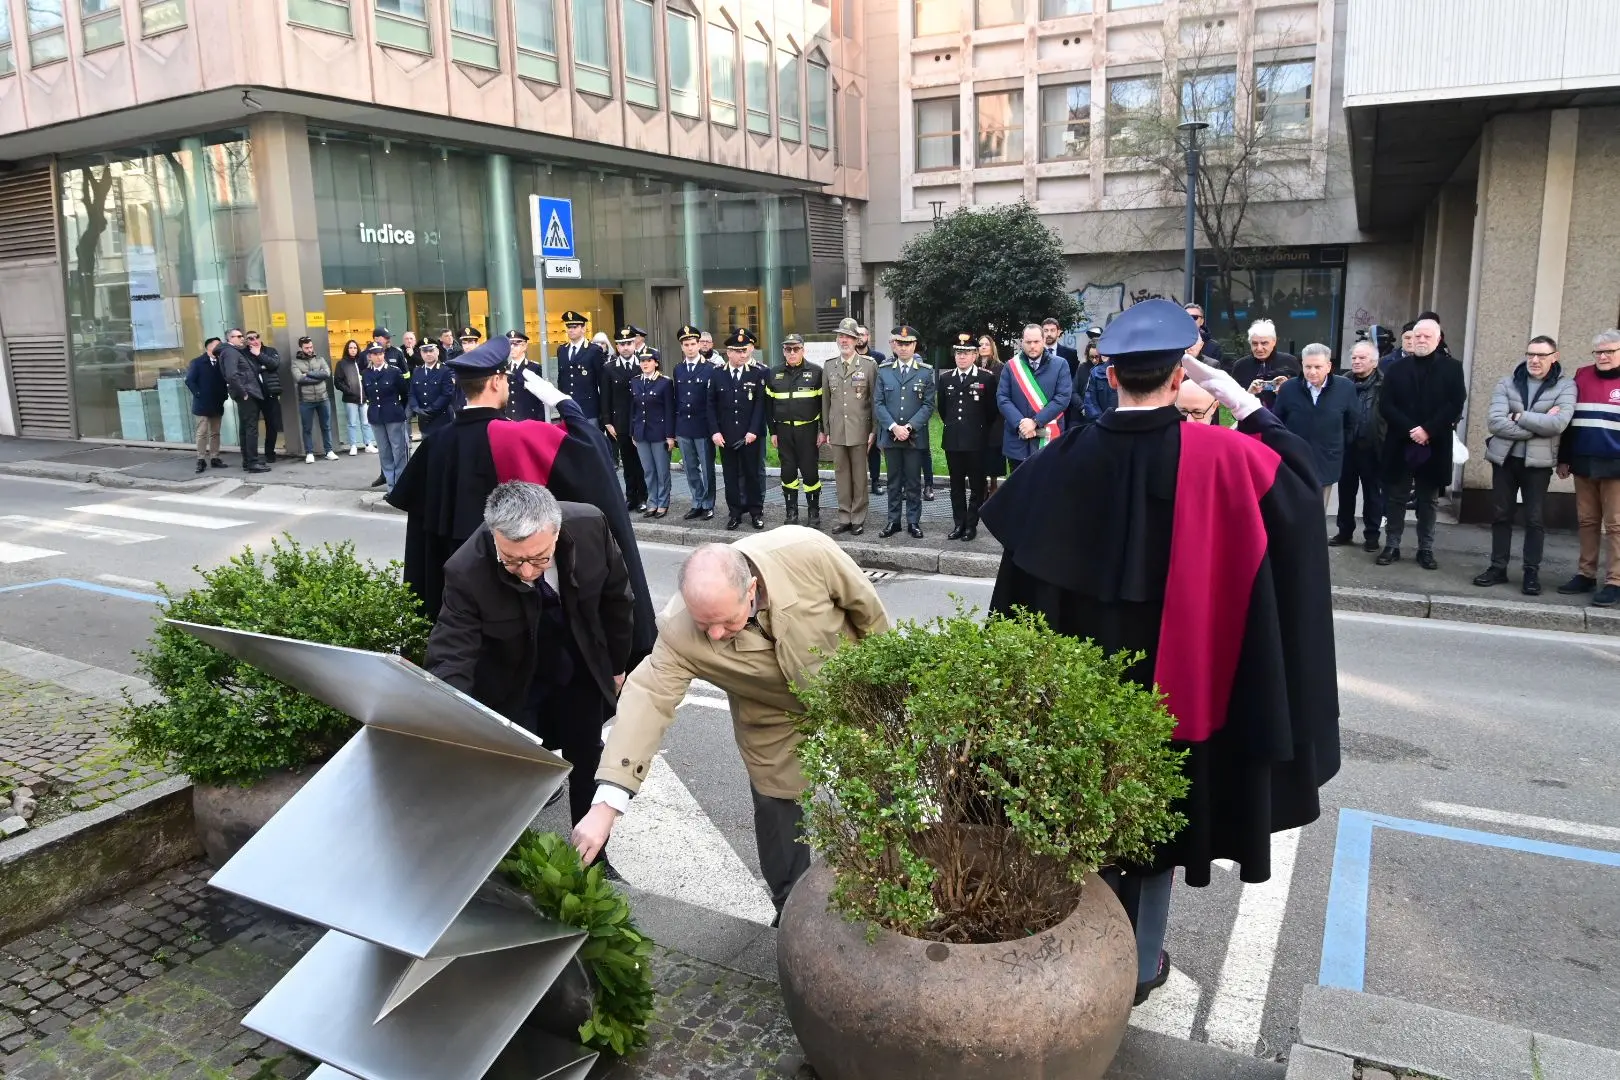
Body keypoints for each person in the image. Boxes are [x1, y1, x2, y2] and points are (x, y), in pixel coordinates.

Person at [980, 299, 1339, 1006]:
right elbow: (1302, 480)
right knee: (1156, 819)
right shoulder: (1226, 457)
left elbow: (1017, 577)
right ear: (1181, 377)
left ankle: (1081, 951)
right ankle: (1139, 964)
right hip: (1183, 689)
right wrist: (1245, 402)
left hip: (1082, 689)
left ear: (1109, 375)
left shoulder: (1062, 461)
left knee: (1084, 821)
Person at [569, 533, 890, 921]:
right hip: (769, 709)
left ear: (751, 589)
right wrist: (606, 806)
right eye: (705, 625)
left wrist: (886, 684)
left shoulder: (807, 553)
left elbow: (867, 611)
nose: (716, 635)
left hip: (845, 682)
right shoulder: (679, 629)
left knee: (881, 779)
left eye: (726, 621)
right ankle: (791, 908)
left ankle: (895, 875)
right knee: (774, 803)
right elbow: (648, 700)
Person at [385, 337, 657, 668]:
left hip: (457, 598)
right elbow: (590, 449)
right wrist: (565, 402)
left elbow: (421, 537)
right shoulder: (516, 436)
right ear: (498, 381)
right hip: (514, 593)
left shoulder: (434, 444)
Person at [426, 481, 633, 851]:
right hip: (514, 676)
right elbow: (451, 651)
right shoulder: (466, 571)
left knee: (588, 755)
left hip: (578, 660)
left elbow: (617, 599)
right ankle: (512, 859)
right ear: (494, 536)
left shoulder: (589, 525)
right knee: (514, 769)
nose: (525, 572)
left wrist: (617, 665)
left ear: (556, 532)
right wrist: (452, 716)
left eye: (538, 559)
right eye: (512, 559)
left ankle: (592, 858)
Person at [1474, 335, 1574, 596]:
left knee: (1534, 519)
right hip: (1505, 460)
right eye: (1531, 354)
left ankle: (1531, 573)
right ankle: (1498, 568)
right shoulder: (1507, 382)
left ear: (1555, 358)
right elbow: (1495, 423)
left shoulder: (1565, 386)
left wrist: (1519, 417)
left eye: (1541, 355)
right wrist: (1538, 425)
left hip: (1538, 465)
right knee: (1501, 515)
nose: (1534, 360)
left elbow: (1559, 424)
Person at [1376, 317, 1467, 570]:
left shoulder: (1452, 368)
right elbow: (1386, 405)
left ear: (1438, 339)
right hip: (1400, 441)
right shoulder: (1396, 368)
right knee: (1396, 497)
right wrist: (1411, 429)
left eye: (1427, 336)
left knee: (1428, 500)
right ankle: (1392, 545)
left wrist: (1427, 429)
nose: (1421, 340)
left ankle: (1425, 549)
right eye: (1417, 336)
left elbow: (1455, 403)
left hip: (1435, 441)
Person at [1555, 329, 1620, 608]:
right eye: (1598, 352)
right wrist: (1564, 457)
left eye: (1610, 351)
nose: (1603, 356)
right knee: (1587, 521)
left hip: (1616, 465)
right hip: (1583, 462)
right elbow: (1568, 421)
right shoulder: (1581, 375)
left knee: (1616, 525)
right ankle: (1586, 574)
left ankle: (1615, 581)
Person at [1273, 344, 1357, 506]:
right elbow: (1278, 422)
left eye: (1318, 367)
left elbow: (1352, 423)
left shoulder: (1345, 388)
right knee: (1294, 509)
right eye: (1307, 366)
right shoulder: (1289, 388)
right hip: (1294, 460)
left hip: (1327, 459)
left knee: (1318, 511)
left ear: (1328, 366)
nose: (1312, 372)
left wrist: (1336, 445)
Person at [874, 325, 936, 539]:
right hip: (891, 435)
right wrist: (894, 427)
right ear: (895, 345)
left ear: (914, 345)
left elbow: (928, 406)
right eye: (900, 344)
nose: (903, 348)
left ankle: (913, 521)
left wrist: (908, 427)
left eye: (907, 344)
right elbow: (878, 403)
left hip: (914, 437)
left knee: (912, 481)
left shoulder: (926, 371)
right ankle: (893, 521)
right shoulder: (884, 371)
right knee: (893, 481)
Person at [938, 332, 998, 541]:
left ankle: (971, 525)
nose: (961, 357)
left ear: (974, 355)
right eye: (958, 353)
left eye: (966, 353)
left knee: (977, 486)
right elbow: (943, 410)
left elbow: (992, 411)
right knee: (955, 486)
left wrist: (979, 430)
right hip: (953, 440)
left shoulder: (986, 378)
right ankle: (958, 524)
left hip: (976, 441)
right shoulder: (946, 379)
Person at [1332, 340, 1388, 551]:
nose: (1356, 361)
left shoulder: (1385, 384)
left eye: (1362, 358)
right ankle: (1344, 531)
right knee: (1346, 492)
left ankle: (1372, 535)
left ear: (1374, 362)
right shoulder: (1341, 382)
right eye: (1354, 357)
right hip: (1347, 447)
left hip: (1374, 447)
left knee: (1372, 494)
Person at [825, 317, 878, 536]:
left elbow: (874, 399)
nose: (843, 340)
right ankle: (844, 516)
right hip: (837, 429)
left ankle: (858, 517)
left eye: (848, 337)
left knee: (859, 475)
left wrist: (874, 430)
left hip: (860, 430)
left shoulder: (868, 366)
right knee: (841, 475)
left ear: (857, 340)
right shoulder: (829, 366)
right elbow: (825, 401)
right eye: (841, 336)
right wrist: (826, 429)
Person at [710, 328, 767, 531]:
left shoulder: (757, 373)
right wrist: (715, 432)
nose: (743, 355)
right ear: (729, 352)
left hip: (750, 436)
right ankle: (734, 513)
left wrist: (753, 431)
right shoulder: (717, 375)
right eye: (738, 351)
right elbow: (710, 405)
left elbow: (760, 406)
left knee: (752, 474)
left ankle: (756, 512)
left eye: (745, 351)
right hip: (726, 435)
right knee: (730, 476)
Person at [767, 333, 826, 527]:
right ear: (783, 351)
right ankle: (791, 512)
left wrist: (822, 430)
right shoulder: (774, 373)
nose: (791, 353)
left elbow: (823, 405)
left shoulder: (816, 372)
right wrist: (773, 431)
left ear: (803, 350)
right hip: (784, 432)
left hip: (808, 431)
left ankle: (813, 512)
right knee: (788, 472)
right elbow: (769, 406)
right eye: (787, 349)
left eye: (795, 349)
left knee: (810, 473)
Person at [997, 323, 1073, 469]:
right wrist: (1021, 423)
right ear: (1022, 342)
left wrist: (1035, 422)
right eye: (1028, 342)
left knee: (1046, 488)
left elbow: (1062, 398)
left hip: (1049, 438)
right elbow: (1002, 398)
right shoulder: (1011, 366)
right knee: (1018, 489)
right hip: (1018, 440)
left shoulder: (1060, 364)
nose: (1032, 346)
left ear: (1044, 341)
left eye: (1036, 341)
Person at [673, 325, 717, 521]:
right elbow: (676, 398)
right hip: (684, 425)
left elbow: (713, 401)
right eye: (686, 345)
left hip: (703, 425)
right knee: (690, 468)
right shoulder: (678, 369)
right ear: (681, 347)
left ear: (699, 344)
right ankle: (697, 501)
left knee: (707, 469)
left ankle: (708, 504)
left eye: (693, 344)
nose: (690, 348)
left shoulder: (711, 369)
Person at [602, 326, 649, 511]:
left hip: (641, 421)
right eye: (621, 344)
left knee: (642, 462)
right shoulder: (608, 368)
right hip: (620, 422)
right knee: (628, 462)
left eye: (629, 343)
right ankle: (631, 497)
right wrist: (607, 421)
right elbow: (605, 396)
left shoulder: (644, 364)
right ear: (617, 346)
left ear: (635, 343)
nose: (626, 347)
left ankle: (644, 496)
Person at [630, 349, 675, 519]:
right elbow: (633, 410)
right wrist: (632, 432)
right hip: (641, 433)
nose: (645, 364)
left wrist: (670, 435)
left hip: (659, 433)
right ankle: (652, 502)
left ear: (656, 362)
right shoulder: (634, 382)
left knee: (662, 471)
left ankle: (663, 503)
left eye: (649, 360)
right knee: (648, 470)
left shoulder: (664, 382)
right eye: (642, 361)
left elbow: (670, 411)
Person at [219, 328, 269, 474]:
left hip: (247, 393)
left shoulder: (232, 351)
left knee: (246, 428)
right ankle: (252, 462)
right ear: (230, 338)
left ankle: (249, 461)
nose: (242, 339)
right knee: (251, 429)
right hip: (247, 394)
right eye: (239, 336)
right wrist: (243, 392)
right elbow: (231, 375)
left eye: (242, 336)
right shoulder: (230, 352)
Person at [361, 344, 410, 490]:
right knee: (384, 451)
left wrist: (399, 409)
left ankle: (401, 485)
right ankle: (391, 485)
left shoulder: (394, 372)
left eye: (381, 354)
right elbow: (368, 394)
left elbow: (405, 393)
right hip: (376, 416)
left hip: (394, 414)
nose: (378, 357)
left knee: (398, 450)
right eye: (375, 354)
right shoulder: (366, 373)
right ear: (370, 356)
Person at [1230, 320, 1300, 410]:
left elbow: (1302, 398)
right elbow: (1233, 403)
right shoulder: (1240, 366)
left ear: (1274, 342)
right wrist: (1249, 394)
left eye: (1264, 343)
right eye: (1255, 343)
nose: (1259, 348)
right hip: (1251, 419)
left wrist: (1284, 392)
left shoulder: (1290, 362)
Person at [291, 336, 338, 463]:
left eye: (311, 347)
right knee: (307, 428)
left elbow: (327, 374)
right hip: (306, 400)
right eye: (306, 348)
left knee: (326, 426)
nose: (310, 349)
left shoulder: (320, 359)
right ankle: (309, 453)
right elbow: (299, 379)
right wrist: (318, 376)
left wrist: (308, 374)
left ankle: (329, 451)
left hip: (323, 398)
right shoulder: (295, 362)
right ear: (301, 348)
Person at [184, 337, 228, 474]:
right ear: (209, 348)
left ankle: (215, 457)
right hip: (202, 403)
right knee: (202, 432)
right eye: (217, 345)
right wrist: (198, 394)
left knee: (215, 432)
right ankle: (201, 459)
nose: (219, 347)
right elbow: (190, 381)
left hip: (217, 402)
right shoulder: (197, 362)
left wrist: (224, 395)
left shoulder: (221, 362)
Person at [555, 310, 606, 423]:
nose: (571, 330)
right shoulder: (562, 350)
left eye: (574, 327)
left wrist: (603, 412)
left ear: (583, 328)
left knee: (590, 440)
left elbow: (602, 381)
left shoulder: (594, 350)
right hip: (568, 408)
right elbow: (562, 379)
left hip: (588, 409)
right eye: (568, 327)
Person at [245, 331, 283, 464]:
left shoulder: (270, 350)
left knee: (272, 424)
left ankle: (269, 453)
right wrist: (263, 366)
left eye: (257, 337)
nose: (254, 340)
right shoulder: (245, 354)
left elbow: (274, 364)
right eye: (250, 338)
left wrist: (259, 355)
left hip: (270, 393)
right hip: (253, 395)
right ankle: (252, 456)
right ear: (247, 341)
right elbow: (249, 371)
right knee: (252, 427)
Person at [857, 326, 887, 497]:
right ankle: (859, 483)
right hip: (854, 411)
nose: (860, 338)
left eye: (863, 334)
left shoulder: (878, 358)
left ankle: (875, 482)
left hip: (872, 409)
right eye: (857, 335)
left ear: (868, 336)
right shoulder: (848, 357)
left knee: (874, 448)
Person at [334, 339, 375, 456]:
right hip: (350, 398)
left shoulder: (361, 362)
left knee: (366, 422)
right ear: (347, 349)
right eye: (351, 348)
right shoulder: (341, 363)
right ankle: (353, 445)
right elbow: (337, 381)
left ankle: (368, 444)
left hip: (364, 398)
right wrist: (349, 391)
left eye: (355, 348)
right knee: (352, 423)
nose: (353, 350)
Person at [977, 334, 1006, 492]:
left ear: (992, 347)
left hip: (995, 417)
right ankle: (981, 486)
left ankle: (993, 485)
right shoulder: (972, 366)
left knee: (993, 453)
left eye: (986, 344)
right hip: (976, 415)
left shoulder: (1000, 367)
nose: (983, 347)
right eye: (980, 344)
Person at [409, 341, 455, 437]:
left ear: (437, 352)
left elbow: (447, 394)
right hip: (424, 421)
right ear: (421, 354)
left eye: (431, 351)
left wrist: (430, 410)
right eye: (425, 352)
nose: (428, 354)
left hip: (441, 419)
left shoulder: (445, 370)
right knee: (427, 450)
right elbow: (412, 393)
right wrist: (416, 408)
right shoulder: (417, 371)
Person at [503, 331, 548, 423]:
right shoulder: (504, 369)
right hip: (509, 418)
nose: (512, 348)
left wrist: (540, 421)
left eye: (516, 345)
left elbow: (540, 397)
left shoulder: (534, 368)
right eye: (510, 344)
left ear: (524, 346)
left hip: (529, 418)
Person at [1184, 303, 1224, 368]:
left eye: (1194, 317)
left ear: (1202, 321)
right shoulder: (1174, 343)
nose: (1190, 320)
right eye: (1186, 317)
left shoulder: (1214, 347)